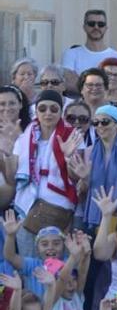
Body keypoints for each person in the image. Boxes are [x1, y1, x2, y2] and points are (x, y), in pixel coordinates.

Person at [12, 90, 82, 252]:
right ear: (36, 111)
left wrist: (68, 158)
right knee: (29, 266)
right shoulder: (23, 139)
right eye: (42, 109)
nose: (48, 113)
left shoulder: (72, 136)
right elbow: (12, 176)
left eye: (53, 109)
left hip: (58, 211)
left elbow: (77, 178)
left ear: (61, 112)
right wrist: (7, 153)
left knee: (57, 268)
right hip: (28, 210)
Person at [61, 9, 117, 75]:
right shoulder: (70, 54)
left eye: (101, 24)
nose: (96, 27)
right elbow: (69, 81)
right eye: (91, 24)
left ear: (106, 28)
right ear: (84, 27)